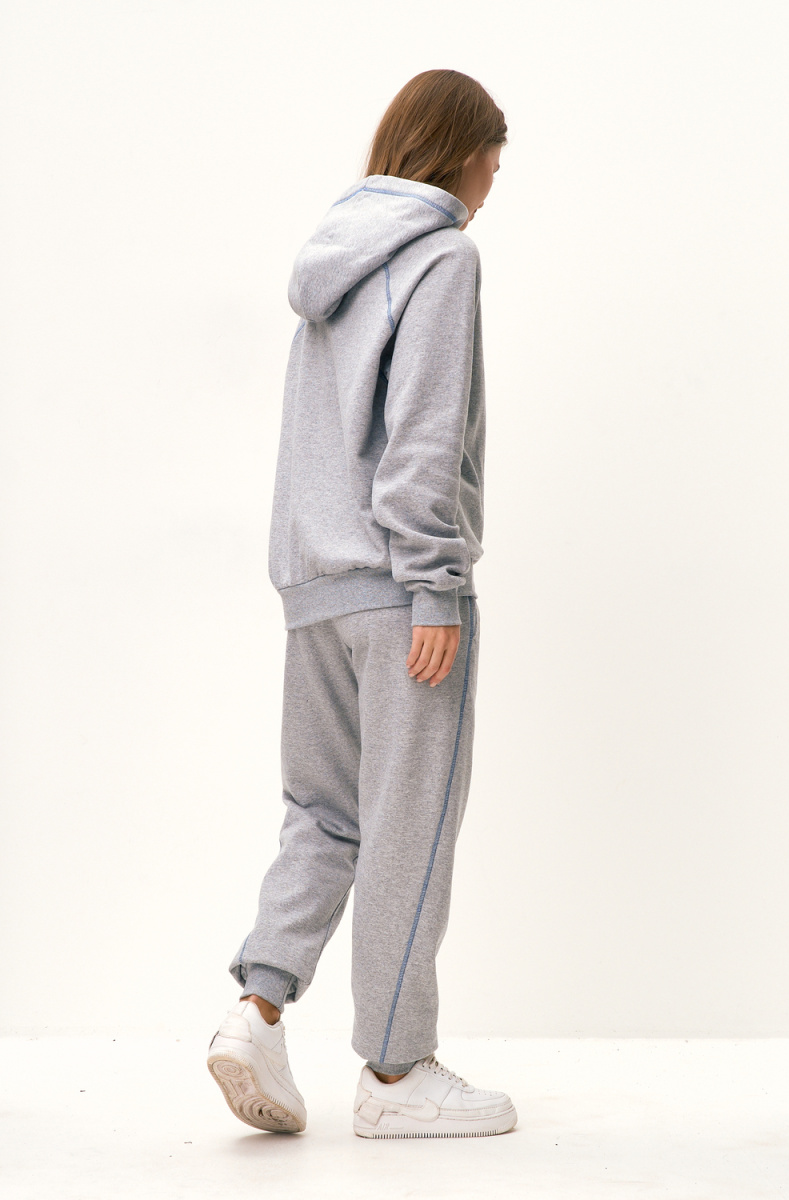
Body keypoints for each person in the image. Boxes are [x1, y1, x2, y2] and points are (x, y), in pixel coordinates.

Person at [207, 68, 517, 1140]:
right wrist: (434, 585)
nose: (495, 179)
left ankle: (255, 1013)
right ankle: (395, 1073)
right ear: (462, 151)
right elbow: (421, 436)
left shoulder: (333, 261)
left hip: (314, 588)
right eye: (494, 157)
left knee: (324, 815)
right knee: (407, 828)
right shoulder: (442, 257)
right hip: (398, 592)